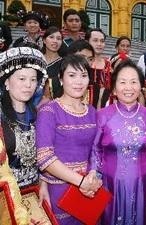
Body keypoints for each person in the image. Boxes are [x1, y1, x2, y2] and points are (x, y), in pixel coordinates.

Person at [89, 59, 146, 225]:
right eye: (122, 82)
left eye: (133, 82)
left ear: (140, 86)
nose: (128, 88)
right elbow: (95, 150)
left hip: (143, 185)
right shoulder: (103, 115)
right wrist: (93, 177)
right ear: (114, 87)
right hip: (110, 184)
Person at [36, 54, 101, 224]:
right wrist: (81, 182)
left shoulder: (93, 112)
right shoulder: (49, 111)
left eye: (83, 75)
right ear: (61, 79)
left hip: (89, 189)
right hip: (60, 191)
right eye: (72, 75)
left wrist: (93, 174)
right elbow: (44, 157)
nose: (78, 81)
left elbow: (96, 149)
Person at [0, 47, 47, 189]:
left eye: (33, 80)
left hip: (36, 191)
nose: (28, 85)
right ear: (6, 82)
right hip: (6, 196)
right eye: (22, 78)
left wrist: (44, 182)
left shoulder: (40, 114)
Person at [86, 28, 112, 108]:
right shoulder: (81, 63)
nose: (99, 44)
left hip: (104, 108)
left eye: (102, 41)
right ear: (87, 42)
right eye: (95, 40)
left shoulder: (109, 65)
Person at [42, 26, 63, 100]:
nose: (55, 41)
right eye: (51, 37)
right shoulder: (36, 60)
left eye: (58, 38)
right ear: (44, 40)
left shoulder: (64, 64)